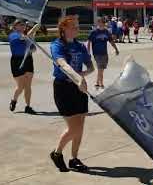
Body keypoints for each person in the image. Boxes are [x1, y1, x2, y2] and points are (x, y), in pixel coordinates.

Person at [49, 15, 94, 173]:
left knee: (80, 126)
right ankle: (57, 153)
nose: (77, 29)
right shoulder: (57, 45)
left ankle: (74, 158)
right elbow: (62, 64)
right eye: (73, 26)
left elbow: (91, 66)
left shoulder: (80, 46)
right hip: (64, 88)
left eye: (77, 26)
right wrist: (76, 77)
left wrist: (83, 74)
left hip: (79, 88)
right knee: (73, 128)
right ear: (64, 29)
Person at [8, 19, 37, 114]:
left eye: (23, 25)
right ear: (15, 26)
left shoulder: (27, 36)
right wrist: (34, 30)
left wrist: (32, 46)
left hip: (28, 59)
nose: (22, 26)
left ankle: (28, 106)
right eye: (19, 25)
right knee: (21, 86)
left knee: (28, 85)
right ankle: (14, 100)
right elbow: (23, 38)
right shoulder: (13, 35)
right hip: (17, 61)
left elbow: (33, 49)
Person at [87, 17, 119, 89]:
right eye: (101, 22)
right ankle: (101, 83)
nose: (102, 24)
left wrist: (116, 49)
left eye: (103, 22)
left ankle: (97, 83)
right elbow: (89, 42)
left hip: (104, 53)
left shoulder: (106, 32)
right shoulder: (94, 32)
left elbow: (111, 41)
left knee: (101, 69)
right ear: (98, 23)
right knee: (100, 68)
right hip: (97, 53)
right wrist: (88, 52)